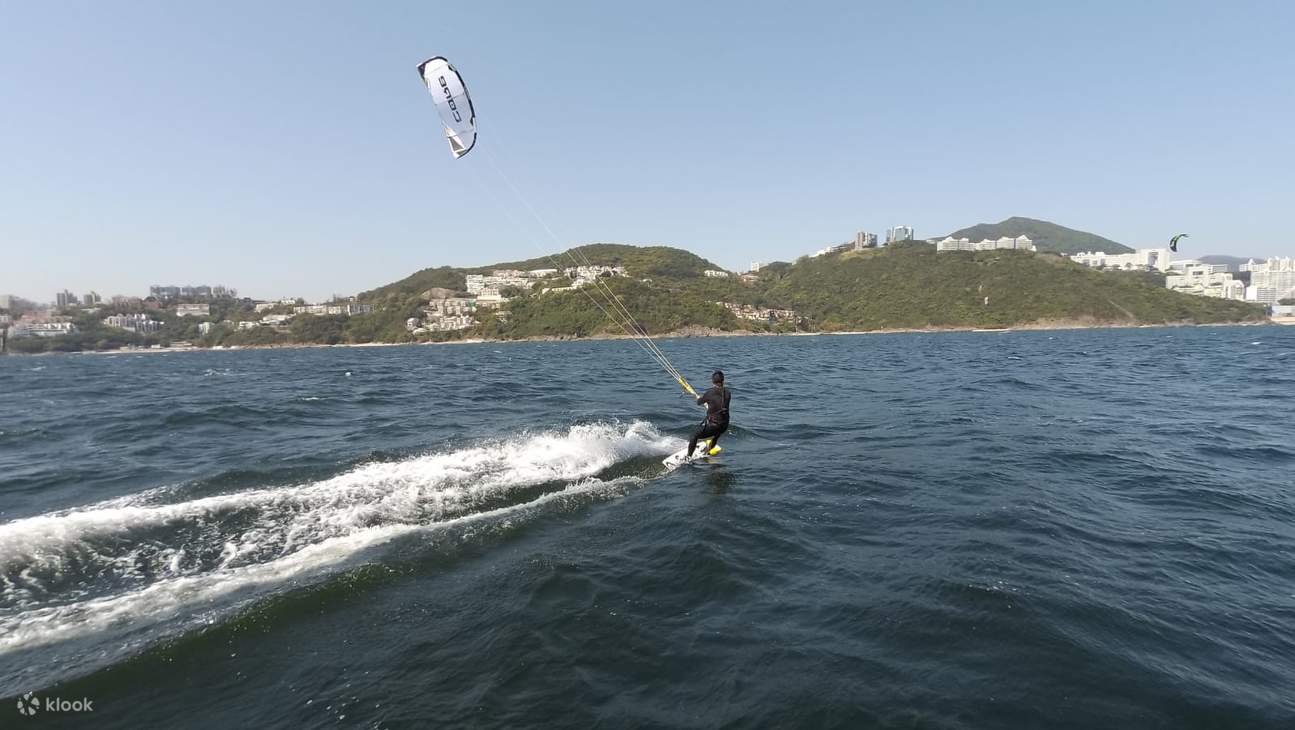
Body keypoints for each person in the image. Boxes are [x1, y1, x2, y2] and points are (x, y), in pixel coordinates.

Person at [687, 370, 731, 458]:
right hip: (724, 425)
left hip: (714, 426)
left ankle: (688, 457)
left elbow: (699, 402)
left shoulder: (709, 393)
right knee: (716, 435)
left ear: (712, 381)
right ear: (723, 381)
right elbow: (718, 404)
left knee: (694, 436)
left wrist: (699, 398)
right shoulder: (728, 393)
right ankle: (709, 449)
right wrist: (708, 403)